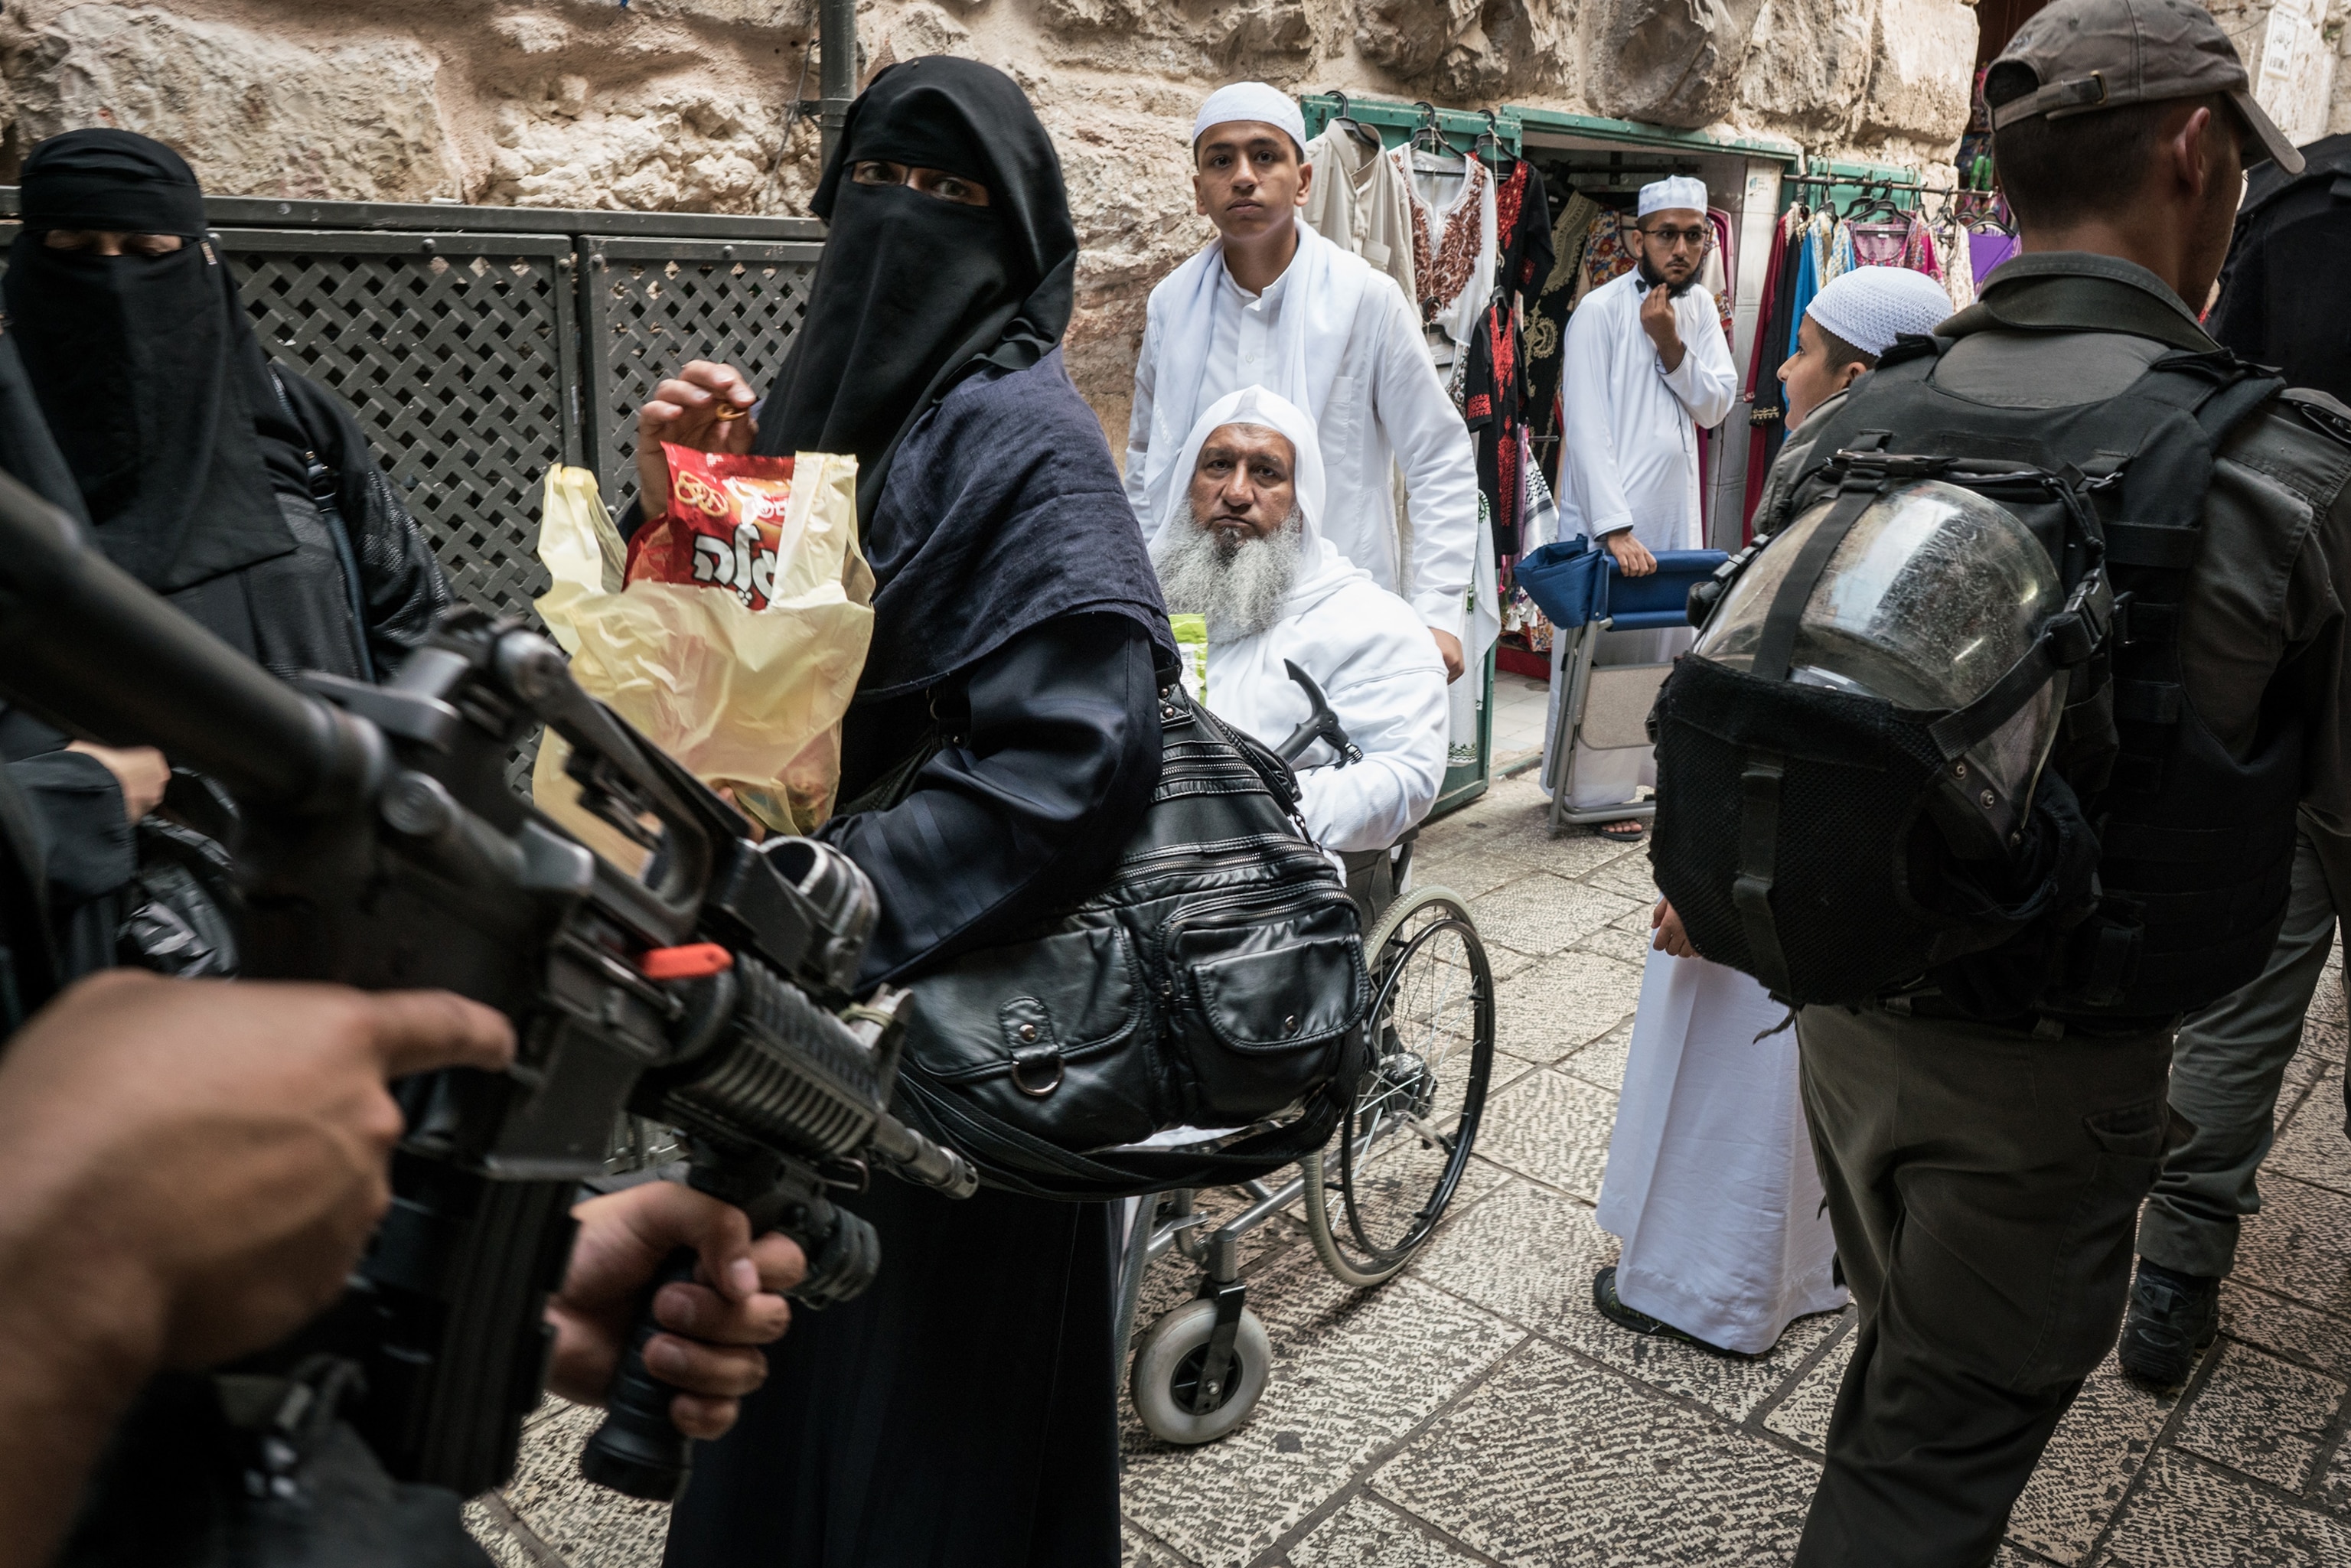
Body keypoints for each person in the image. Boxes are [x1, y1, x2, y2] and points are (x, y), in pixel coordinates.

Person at [1753, 3, 2351, 1561]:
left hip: (1844, 1028)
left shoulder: (1847, 428)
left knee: (1915, 1363)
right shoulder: (2288, 474)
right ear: (2195, 149)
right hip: (2058, 1078)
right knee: (1929, 1468)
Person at [634, 58, 1175, 1568]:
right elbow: (732, 684)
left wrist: (841, 895)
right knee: (783, 1389)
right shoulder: (819, 404)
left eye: (950, 199)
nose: (905, 225)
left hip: (955, 1037)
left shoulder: (1021, 433)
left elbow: (1078, 763)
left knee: (931, 1427)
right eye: (879, 185)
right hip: (793, 1019)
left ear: (1017, 237)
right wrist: (685, 494)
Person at [1597, 265, 1956, 1357]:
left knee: (1737, 1060)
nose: (1783, 372)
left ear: (1853, 375)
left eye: (1800, 350)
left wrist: (1708, 874)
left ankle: (1714, 1290)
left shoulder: (1844, 498)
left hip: (1766, 848)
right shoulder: (1905, 487)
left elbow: (1783, 717)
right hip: (1814, 850)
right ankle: (1787, 1269)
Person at [0, 128, 453, 980]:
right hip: (92, 940)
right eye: (74, 249)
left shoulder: (295, 424)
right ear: (29, 261)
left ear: (201, 261)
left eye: (147, 250)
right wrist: (66, 802)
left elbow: (414, 623)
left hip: (334, 897)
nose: (115, 280)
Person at [2118, 134, 2351, 1388]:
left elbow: (2225, 388)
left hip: (2285, 591)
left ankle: (2170, 1283)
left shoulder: (2296, 197)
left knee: (2252, 968)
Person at [1125, 82, 1478, 687]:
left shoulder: (1366, 300)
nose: (1243, 176)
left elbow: (1439, 459)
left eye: (1265, 156)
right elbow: (1144, 463)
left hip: (1335, 619)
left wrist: (1440, 612)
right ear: (1199, 193)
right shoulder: (1170, 305)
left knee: (1327, 774)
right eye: (1221, 160)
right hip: (1193, 612)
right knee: (1199, 773)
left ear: (1305, 180)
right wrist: (1132, 594)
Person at [1150, 385, 1448, 852]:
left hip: (1276, 879)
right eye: (1219, 465)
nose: (1236, 491)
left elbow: (1403, 775)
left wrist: (1247, 814)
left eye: (1266, 473)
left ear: (1302, 502)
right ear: (1189, 484)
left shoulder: (1369, 624)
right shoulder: (1144, 604)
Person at [1549, 174, 1736, 835]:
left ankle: (1648, 780)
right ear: (1638, 239)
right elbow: (1589, 425)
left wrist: (1669, 344)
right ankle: (1596, 794)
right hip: (1617, 522)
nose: (1681, 249)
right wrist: (1615, 529)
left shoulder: (1702, 312)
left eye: (1694, 236)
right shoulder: (1598, 312)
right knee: (1610, 656)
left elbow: (1716, 405)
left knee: (1666, 651)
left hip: (1676, 518)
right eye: (1667, 235)